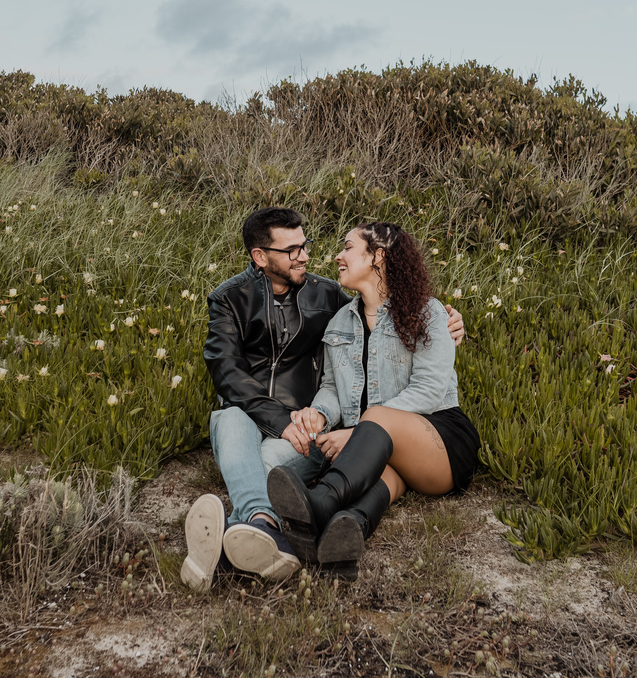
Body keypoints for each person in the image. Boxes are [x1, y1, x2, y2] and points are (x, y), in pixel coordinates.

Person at [181, 208, 465, 591]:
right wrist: (311, 414)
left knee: (280, 467)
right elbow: (237, 375)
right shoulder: (238, 300)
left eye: (306, 245)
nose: (309, 256)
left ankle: (265, 527)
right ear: (260, 256)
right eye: (292, 250)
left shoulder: (334, 295)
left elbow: (424, 378)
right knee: (242, 436)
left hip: (384, 433)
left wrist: (449, 324)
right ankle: (262, 533)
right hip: (284, 423)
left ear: (378, 256)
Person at [267, 221, 480, 570]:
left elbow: (429, 391)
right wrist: (319, 413)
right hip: (384, 452)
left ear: (378, 256)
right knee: (382, 480)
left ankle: (321, 502)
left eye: (348, 247)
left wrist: (357, 432)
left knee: (376, 417)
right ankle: (347, 532)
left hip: (439, 441)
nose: (338, 256)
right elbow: (333, 387)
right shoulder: (339, 323)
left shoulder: (427, 312)